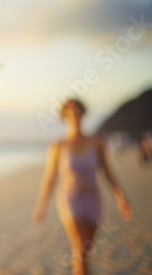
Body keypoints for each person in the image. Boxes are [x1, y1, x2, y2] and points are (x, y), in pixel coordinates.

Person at [32, 99, 132, 275]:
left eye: (77, 110)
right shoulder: (58, 145)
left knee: (85, 253)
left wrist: (120, 196)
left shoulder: (97, 141)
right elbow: (49, 178)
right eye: (69, 112)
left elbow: (107, 172)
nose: (74, 115)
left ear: (83, 113)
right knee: (80, 247)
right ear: (64, 116)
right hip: (71, 201)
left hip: (93, 200)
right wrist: (41, 206)